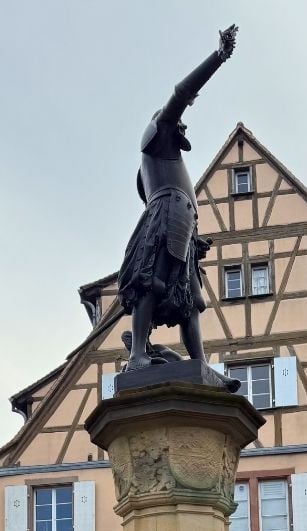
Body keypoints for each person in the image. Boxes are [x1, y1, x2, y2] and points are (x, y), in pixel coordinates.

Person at [118, 25, 238, 372]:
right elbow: (180, 94)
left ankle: (198, 364)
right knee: (150, 279)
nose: (182, 127)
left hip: (184, 224)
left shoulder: (167, 155)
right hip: (167, 214)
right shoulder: (154, 137)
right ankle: (138, 354)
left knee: (190, 299)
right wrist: (218, 57)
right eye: (176, 124)